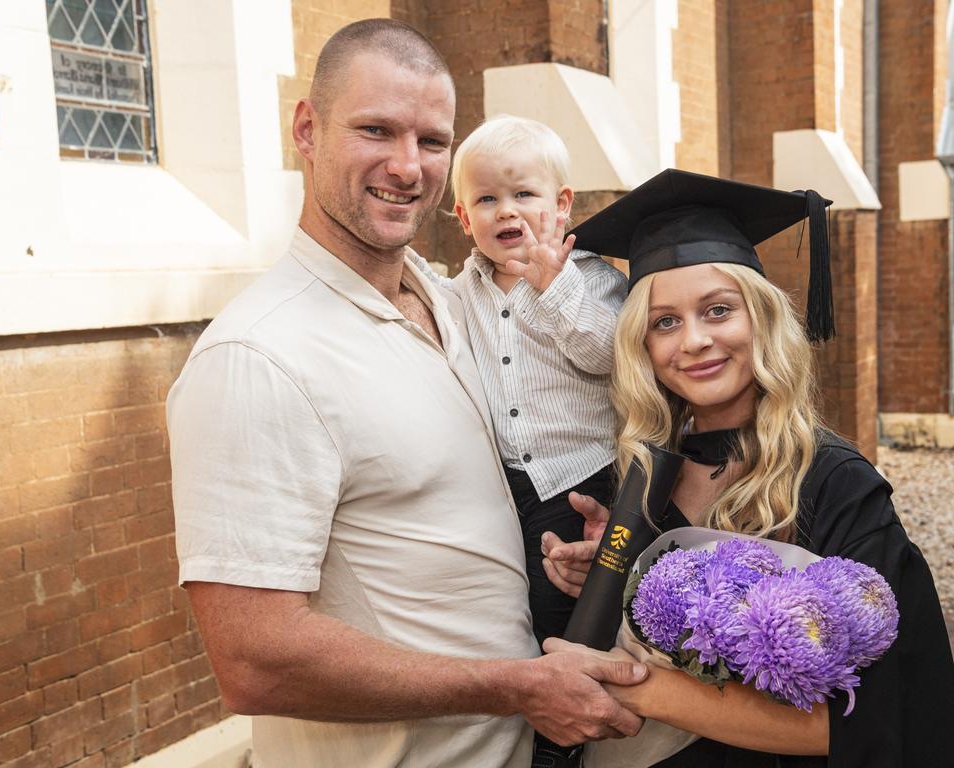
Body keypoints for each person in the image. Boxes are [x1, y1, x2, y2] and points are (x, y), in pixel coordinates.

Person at [166, 18, 648, 768]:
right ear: (307, 128)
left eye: (431, 141)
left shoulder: (460, 302)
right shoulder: (258, 356)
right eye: (375, 130)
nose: (406, 165)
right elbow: (255, 659)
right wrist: (516, 687)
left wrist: (576, 554)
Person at [541, 169, 954, 767]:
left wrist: (628, 682)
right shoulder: (644, 479)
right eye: (665, 322)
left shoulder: (833, 482)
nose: (694, 341)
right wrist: (618, 575)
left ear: (760, 318)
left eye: (717, 310)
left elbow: (873, 716)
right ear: (643, 349)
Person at [417, 115, 627, 766]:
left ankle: (559, 742)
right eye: (486, 199)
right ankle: (520, 723)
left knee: (563, 609)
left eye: (524, 194)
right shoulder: (459, 293)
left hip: (581, 477)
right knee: (510, 607)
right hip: (508, 482)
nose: (506, 210)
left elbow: (608, 354)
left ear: (562, 204)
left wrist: (555, 289)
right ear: (462, 217)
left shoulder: (592, 278)